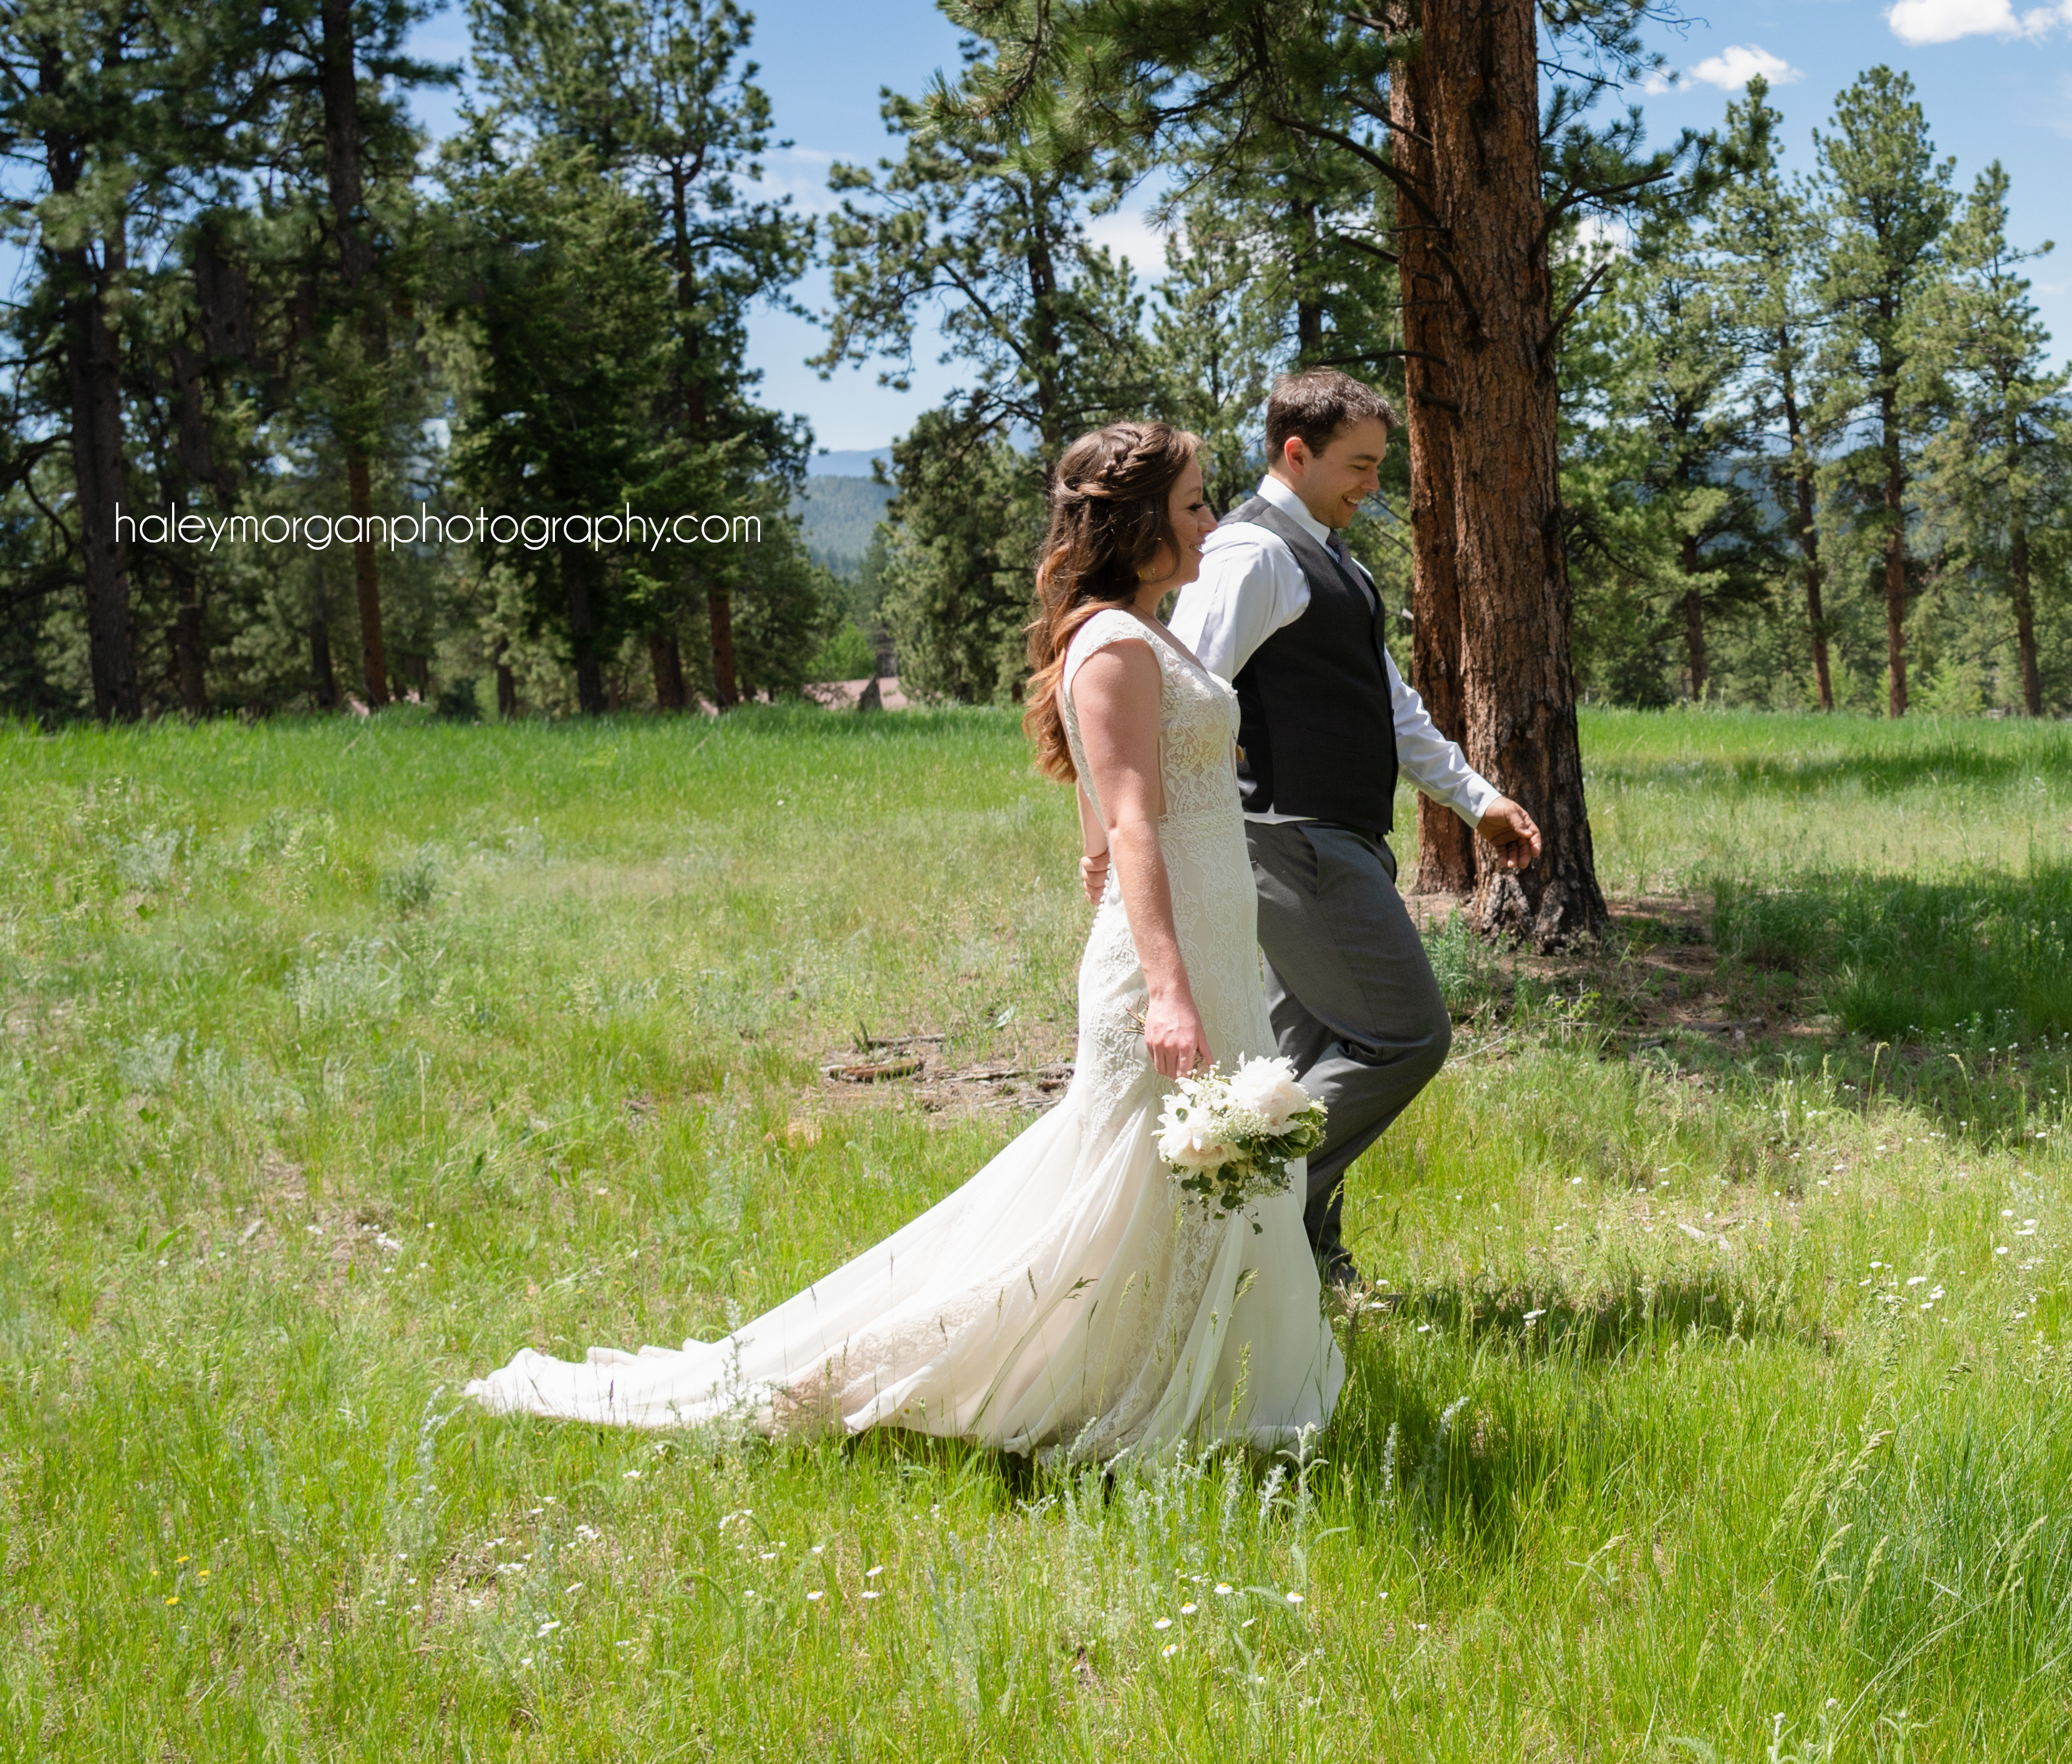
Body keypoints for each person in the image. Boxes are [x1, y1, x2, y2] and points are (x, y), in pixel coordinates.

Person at [465, 421, 1342, 1458]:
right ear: (1143, 524)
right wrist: (1166, 988)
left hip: (1206, 944)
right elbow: (1133, 816)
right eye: (1194, 505)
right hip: (1172, 964)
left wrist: (1130, 896)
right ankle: (1066, 1392)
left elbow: (1102, 826)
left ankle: (1203, 1398)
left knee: (1198, 1184)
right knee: (1126, 1193)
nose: (1209, 521)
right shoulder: (1110, 644)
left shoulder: (1145, 631)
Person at [1132, 368, 1540, 1291]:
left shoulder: (1331, 560)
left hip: (1328, 841)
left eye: (1378, 466)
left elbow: (1390, 708)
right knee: (1404, 1038)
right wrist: (1183, 843)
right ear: (1296, 453)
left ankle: (1302, 1272)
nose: (1373, 485)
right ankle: (1240, 1211)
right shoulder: (1252, 554)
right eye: (1358, 465)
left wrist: (1479, 801)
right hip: (1292, 841)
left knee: (1300, 1062)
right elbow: (1189, 694)